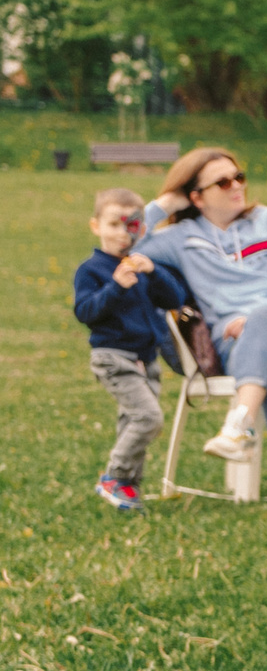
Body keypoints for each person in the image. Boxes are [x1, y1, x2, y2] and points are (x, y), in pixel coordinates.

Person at [140, 148, 267, 514]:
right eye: (222, 182)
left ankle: (239, 425)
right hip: (239, 347)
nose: (236, 187)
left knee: (264, 318)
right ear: (196, 197)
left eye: (239, 177)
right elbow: (126, 247)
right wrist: (164, 204)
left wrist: (258, 315)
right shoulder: (183, 237)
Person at [73, 186, 186, 511]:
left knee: (132, 421)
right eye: (114, 224)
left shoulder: (143, 268)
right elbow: (86, 312)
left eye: (131, 225)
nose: (123, 233)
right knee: (148, 418)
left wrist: (155, 271)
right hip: (113, 357)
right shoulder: (91, 271)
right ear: (96, 226)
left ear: (143, 228)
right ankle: (113, 475)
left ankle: (127, 487)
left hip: (146, 359)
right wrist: (115, 288)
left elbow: (175, 299)